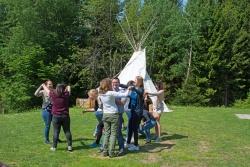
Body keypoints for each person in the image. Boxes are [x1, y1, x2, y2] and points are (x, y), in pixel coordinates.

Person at [98, 78, 131, 158]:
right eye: (111, 83)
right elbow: (125, 95)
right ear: (108, 85)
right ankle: (111, 152)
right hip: (113, 114)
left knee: (106, 133)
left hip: (105, 114)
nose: (112, 84)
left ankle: (105, 151)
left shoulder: (101, 93)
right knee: (113, 134)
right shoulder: (110, 92)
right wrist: (129, 89)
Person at [42, 83, 73, 152]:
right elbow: (69, 89)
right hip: (65, 116)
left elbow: (47, 90)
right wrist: (68, 86)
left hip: (56, 116)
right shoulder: (66, 94)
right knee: (67, 131)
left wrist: (43, 85)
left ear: (57, 88)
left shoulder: (53, 94)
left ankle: (54, 147)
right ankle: (70, 147)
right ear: (64, 89)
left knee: (56, 132)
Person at [126, 76, 144, 151]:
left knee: (135, 129)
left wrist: (132, 88)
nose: (134, 81)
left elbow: (139, 93)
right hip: (132, 111)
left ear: (139, 81)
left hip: (138, 112)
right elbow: (126, 86)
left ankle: (136, 145)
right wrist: (119, 84)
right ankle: (128, 143)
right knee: (130, 127)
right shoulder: (133, 89)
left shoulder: (141, 89)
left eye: (136, 80)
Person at [34, 80, 53, 144]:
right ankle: (46, 140)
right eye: (49, 84)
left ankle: (56, 138)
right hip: (46, 111)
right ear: (46, 85)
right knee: (48, 125)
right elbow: (35, 94)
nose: (51, 85)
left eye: (51, 84)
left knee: (56, 125)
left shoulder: (53, 90)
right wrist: (41, 86)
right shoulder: (43, 91)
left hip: (54, 110)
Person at [112, 77, 126, 156]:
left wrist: (111, 99)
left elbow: (123, 102)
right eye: (113, 82)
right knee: (109, 132)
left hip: (118, 114)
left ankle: (122, 148)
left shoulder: (122, 91)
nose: (115, 84)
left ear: (119, 83)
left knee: (118, 132)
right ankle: (107, 148)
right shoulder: (109, 91)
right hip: (110, 114)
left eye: (116, 82)